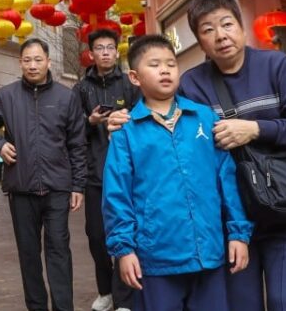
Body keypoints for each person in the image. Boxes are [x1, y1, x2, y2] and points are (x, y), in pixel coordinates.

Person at [158, 0, 286, 310]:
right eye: (208, 30)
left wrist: (255, 129)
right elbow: (173, 140)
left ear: (241, 25)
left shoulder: (278, 66)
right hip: (231, 217)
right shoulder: (191, 85)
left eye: (226, 24)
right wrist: (125, 124)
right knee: (240, 304)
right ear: (199, 40)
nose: (220, 36)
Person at [104, 35, 251, 310]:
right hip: (156, 258)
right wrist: (123, 250)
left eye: (171, 64)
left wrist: (238, 234)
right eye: (155, 64)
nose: (165, 70)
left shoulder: (205, 118)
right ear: (135, 77)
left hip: (209, 252)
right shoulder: (127, 131)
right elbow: (116, 195)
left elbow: (227, 181)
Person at [0, 38, 88, 311]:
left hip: (58, 188)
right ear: (20, 62)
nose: (33, 65)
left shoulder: (66, 97)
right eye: (27, 60)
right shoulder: (7, 95)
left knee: (59, 251)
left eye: (38, 60)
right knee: (28, 255)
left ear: (48, 62)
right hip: (21, 189)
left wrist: (78, 185)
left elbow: (77, 144)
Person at [73, 28, 140, 311]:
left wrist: (125, 121)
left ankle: (124, 297)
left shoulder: (130, 83)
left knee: (127, 233)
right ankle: (106, 290)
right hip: (95, 173)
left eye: (110, 47)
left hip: (129, 173)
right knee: (97, 237)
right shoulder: (80, 89)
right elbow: (72, 131)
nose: (104, 52)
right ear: (91, 53)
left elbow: (145, 119)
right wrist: (90, 121)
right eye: (99, 48)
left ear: (117, 51)